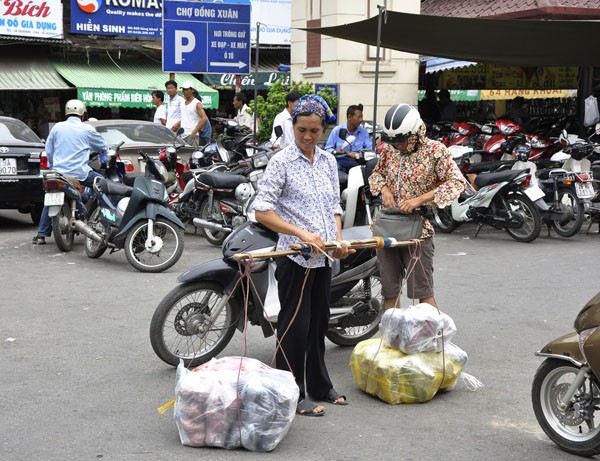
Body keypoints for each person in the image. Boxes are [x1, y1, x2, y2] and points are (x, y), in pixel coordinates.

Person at [253, 95, 352, 417]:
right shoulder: (281, 162)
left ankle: (320, 384)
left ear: (323, 129)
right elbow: (262, 211)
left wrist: (337, 241)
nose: (308, 137)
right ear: (292, 127)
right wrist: (301, 234)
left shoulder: (327, 161)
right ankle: (292, 395)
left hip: (323, 259)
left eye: (314, 131)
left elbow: (334, 208)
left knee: (319, 323)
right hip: (295, 258)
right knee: (295, 327)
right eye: (302, 130)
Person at [368, 104, 466, 309]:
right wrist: (384, 189)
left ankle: (428, 339)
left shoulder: (435, 151)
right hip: (387, 227)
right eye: (394, 142)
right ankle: (392, 338)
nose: (398, 146)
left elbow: (456, 183)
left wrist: (419, 200)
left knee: (422, 292)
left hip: (418, 229)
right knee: (390, 291)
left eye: (402, 141)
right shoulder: (390, 150)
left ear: (415, 133)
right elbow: (377, 174)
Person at [33, 99, 109, 245]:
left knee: (49, 199)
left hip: (58, 173)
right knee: (101, 182)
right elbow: (102, 146)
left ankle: (41, 235)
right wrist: (104, 152)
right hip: (80, 173)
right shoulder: (87, 129)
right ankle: (94, 217)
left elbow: (49, 150)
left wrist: (53, 165)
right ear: (82, 115)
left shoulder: (57, 127)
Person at [325, 103, 373, 175]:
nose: (361, 120)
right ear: (349, 117)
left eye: (362, 117)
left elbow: (370, 150)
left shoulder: (363, 132)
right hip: (340, 163)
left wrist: (358, 155)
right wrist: (335, 151)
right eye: (358, 117)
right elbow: (327, 149)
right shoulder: (337, 130)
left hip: (357, 163)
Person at [179, 80, 211, 146]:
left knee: (191, 154)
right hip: (182, 135)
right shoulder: (182, 103)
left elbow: (204, 118)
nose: (185, 91)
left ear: (192, 90)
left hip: (191, 135)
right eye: (184, 90)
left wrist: (195, 131)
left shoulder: (197, 103)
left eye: (187, 89)